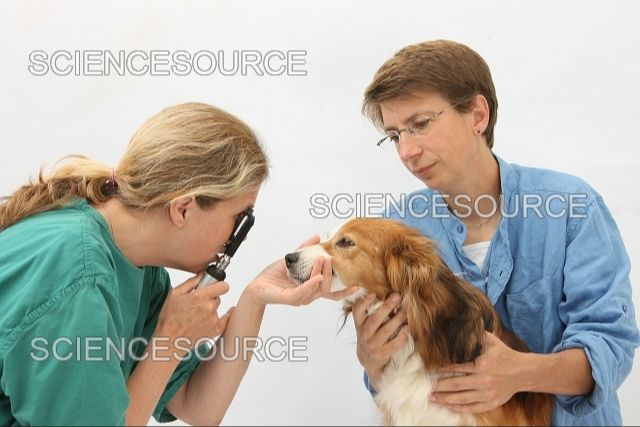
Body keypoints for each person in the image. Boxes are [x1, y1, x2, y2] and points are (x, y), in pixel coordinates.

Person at [0, 102, 356, 426]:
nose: (235, 240)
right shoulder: (77, 274)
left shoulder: (137, 266)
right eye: (238, 219)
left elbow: (198, 407)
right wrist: (170, 340)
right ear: (183, 208)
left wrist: (255, 298)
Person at [352, 40, 639, 425]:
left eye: (420, 125)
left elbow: (610, 348)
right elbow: (394, 381)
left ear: (478, 114)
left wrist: (520, 372)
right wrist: (373, 362)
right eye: (394, 135)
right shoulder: (394, 231)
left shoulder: (571, 206)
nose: (406, 151)